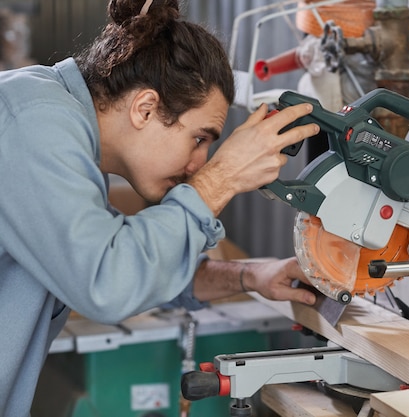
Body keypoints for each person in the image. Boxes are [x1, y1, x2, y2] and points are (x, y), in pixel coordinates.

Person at [0, 0, 320, 415]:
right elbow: (109, 281)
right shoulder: (33, 122)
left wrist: (250, 276)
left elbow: (130, 259)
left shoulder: (57, 127)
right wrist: (219, 180)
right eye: (200, 139)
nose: (199, 164)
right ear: (145, 108)